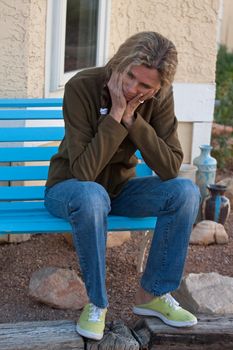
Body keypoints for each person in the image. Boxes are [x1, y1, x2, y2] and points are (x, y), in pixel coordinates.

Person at [44, 31, 200, 341]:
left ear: (158, 88)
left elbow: (170, 167)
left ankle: (153, 295)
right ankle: (97, 304)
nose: (132, 88)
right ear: (119, 62)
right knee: (92, 195)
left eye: (145, 86)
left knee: (186, 192)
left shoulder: (159, 98)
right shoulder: (82, 87)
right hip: (70, 189)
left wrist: (133, 120)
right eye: (129, 76)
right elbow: (84, 171)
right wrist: (115, 115)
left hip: (119, 191)